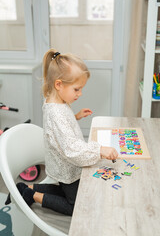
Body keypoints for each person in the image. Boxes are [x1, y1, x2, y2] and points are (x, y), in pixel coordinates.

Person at [5, 49, 118, 216]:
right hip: (67, 166)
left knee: (69, 190)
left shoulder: (56, 100)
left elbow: (60, 128)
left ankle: (27, 186)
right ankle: (32, 195)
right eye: (77, 89)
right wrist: (99, 150)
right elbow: (72, 149)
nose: (80, 94)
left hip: (62, 164)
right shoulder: (56, 111)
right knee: (77, 206)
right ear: (59, 84)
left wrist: (75, 116)